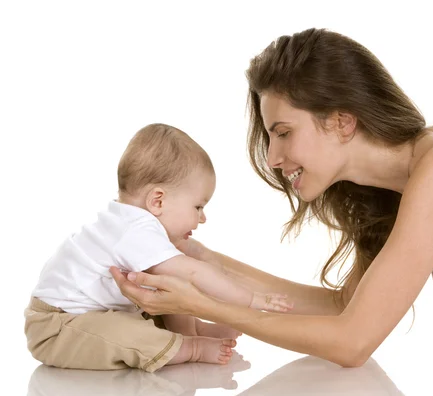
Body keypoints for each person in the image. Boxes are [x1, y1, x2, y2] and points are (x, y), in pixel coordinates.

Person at [111, 28, 433, 367]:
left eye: (283, 132)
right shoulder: (407, 186)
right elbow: (344, 307)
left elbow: (352, 343)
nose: (275, 157)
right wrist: (200, 258)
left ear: (342, 121)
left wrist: (202, 303)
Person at [24, 123, 292, 372]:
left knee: (165, 294)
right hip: (57, 328)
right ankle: (191, 346)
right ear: (158, 201)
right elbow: (193, 273)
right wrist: (252, 299)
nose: (202, 218)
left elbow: (188, 272)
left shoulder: (131, 223)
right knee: (127, 330)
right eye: (198, 206)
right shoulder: (134, 231)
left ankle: (191, 331)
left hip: (90, 318)